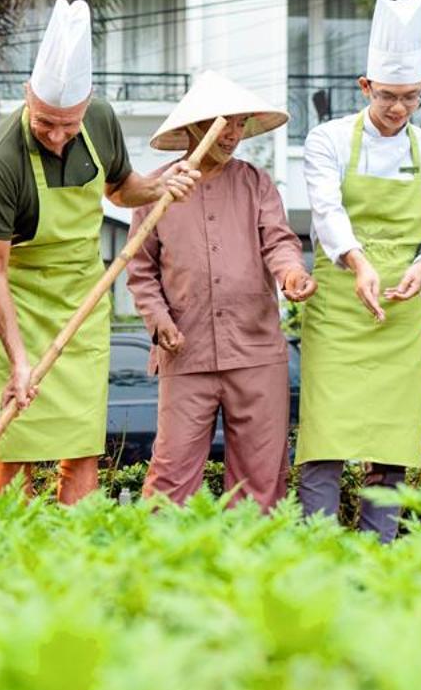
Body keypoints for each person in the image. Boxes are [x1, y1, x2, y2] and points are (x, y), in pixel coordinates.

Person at [0, 0, 197, 503]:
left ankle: (76, 555)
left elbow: (122, 190)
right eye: (45, 122)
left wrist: (161, 186)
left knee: (81, 445)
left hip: (81, 300)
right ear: (28, 96)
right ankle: (7, 559)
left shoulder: (99, 120)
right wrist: (20, 360)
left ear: (87, 105)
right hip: (19, 305)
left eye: (67, 125)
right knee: (17, 446)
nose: (56, 136)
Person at [297, 0, 421, 541]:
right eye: (387, 96)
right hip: (338, 305)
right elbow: (326, 210)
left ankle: (380, 555)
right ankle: (316, 552)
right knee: (325, 437)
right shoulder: (325, 140)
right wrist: (358, 262)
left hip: (398, 310)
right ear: (365, 87)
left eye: (409, 98)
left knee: (390, 443)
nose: (397, 109)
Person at [126, 72, 315, 510]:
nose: (233, 134)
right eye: (223, 123)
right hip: (185, 351)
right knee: (171, 475)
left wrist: (291, 275)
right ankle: (159, 566)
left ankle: (252, 569)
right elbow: (140, 270)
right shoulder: (156, 190)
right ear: (194, 126)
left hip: (255, 350)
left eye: (240, 123)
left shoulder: (256, 183)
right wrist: (160, 322)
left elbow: (279, 242)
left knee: (262, 476)